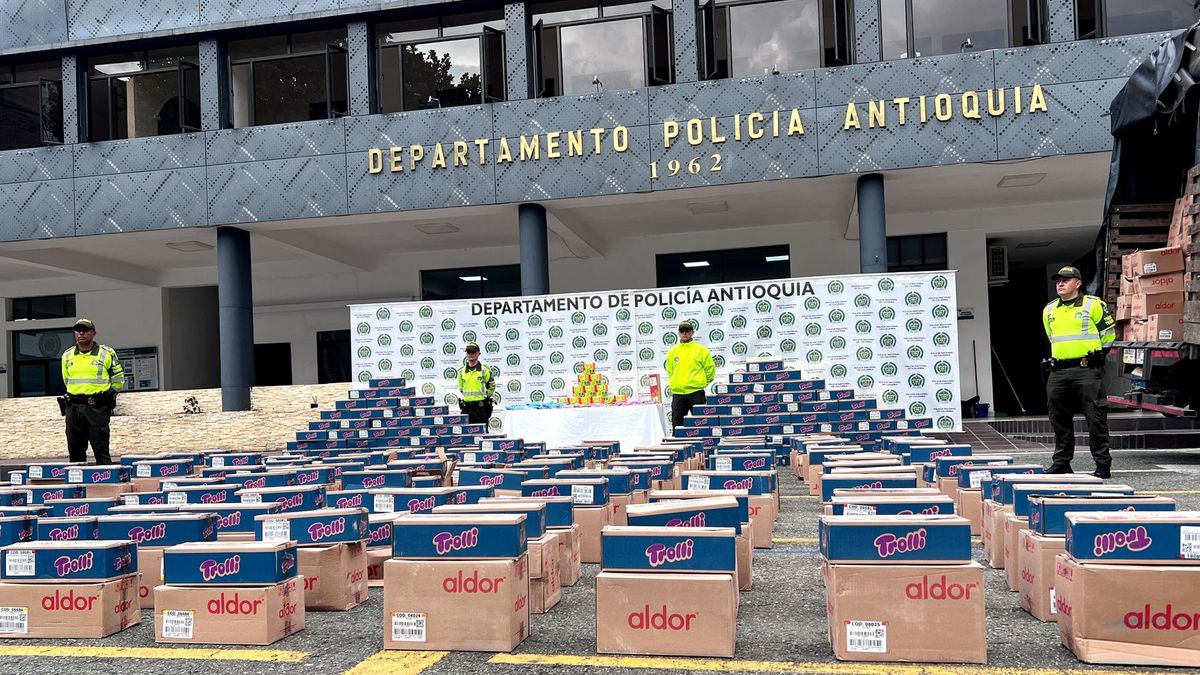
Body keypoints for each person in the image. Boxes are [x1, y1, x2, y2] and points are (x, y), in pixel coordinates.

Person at [1042, 266, 1116, 478]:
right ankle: (1062, 462)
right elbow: (1051, 336)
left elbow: (1108, 333)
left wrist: (1099, 355)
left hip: (1086, 370)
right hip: (1058, 372)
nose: (1060, 284)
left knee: (1096, 419)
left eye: (1066, 280)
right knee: (1058, 418)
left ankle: (1102, 464)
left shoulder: (1093, 305)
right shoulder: (1049, 310)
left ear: (1078, 283)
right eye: (1058, 280)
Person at [59, 318, 125, 465]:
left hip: (97, 407)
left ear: (93, 333)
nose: (81, 333)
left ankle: (105, 485)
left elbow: (119, 378)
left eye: (85, 330)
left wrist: (111, 394)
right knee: (75, 451)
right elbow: (66, 380)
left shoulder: (106, 353)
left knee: (100, 449)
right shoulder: (67, 355)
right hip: (73, 407)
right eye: (78, 330)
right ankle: (77, 486)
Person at [665, 320, 716, 429]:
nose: (684, 333)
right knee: (677, 426)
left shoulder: (701, 350)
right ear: (678, 333)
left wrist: (701, 383)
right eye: (682, 330)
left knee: (702, 425)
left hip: (696, 393)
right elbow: (670, 371)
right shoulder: (672, 352)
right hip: (678, 394)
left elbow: (710, 369)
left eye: (687, 330)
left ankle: (703, 446)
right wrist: (677, 382)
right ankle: (677, 446)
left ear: (692, 332)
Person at [457, 342, 495, 425]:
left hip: (480, 408)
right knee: (466, 435)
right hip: (466, 408)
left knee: (482, 435)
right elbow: (461, 388)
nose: (471, 354)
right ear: (466, 354)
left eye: (473, 352)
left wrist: (483, 398)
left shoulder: (485, 370)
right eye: (468, 352)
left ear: (479, 353)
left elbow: (491, 387)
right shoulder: (461, 372)